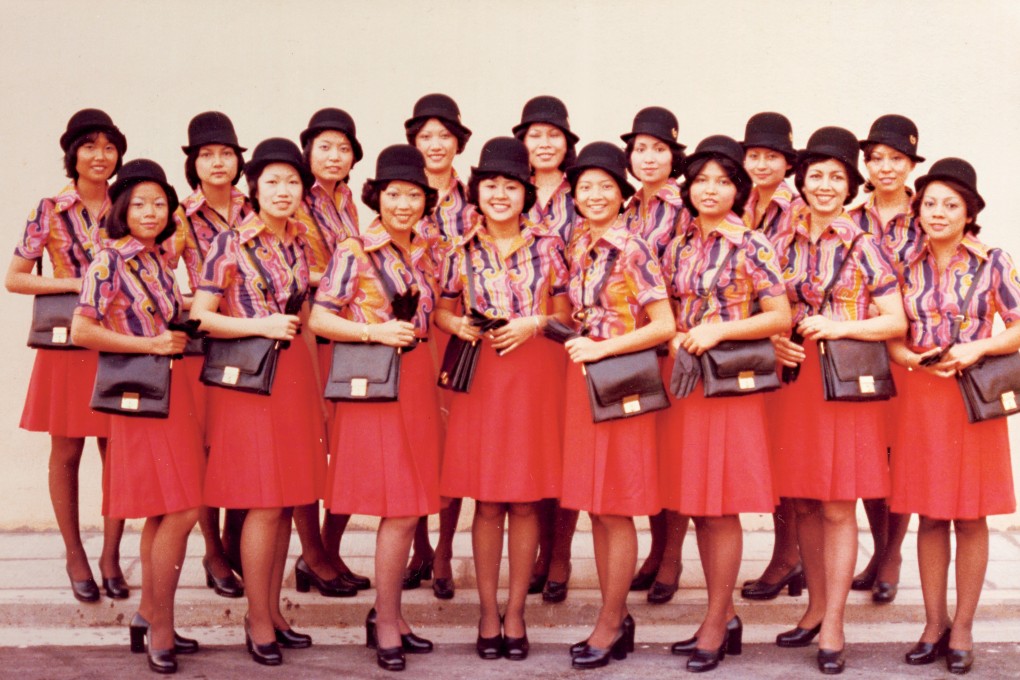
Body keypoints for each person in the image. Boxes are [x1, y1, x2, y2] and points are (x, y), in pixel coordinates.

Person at [769, 127, 907, 675]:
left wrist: (840, 323)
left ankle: (834, 624)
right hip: (797, 381)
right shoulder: (784, 239)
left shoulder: (864, 242)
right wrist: (776, 335)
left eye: (836, 176)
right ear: (801, 181)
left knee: (836, 503)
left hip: (844, 385)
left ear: (851, 183)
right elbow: (771, 305)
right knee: (801, 498)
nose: (824, 184)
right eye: (816, 175)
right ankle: (812, 610)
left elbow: (895, 320)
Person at [190, 138, 325, 667]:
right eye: (273, 181)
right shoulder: (229, 242)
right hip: (248, 381)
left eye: (293, 181)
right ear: (254, 187)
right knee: (264, 501)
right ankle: (256, 618)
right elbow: (200, 315)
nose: (285, 190)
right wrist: (259, 324)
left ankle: (274, 611)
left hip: (290, 375)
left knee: (288, 497)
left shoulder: (297, 241)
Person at [660, 136, 792, 673]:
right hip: (687, 382)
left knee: (722, 504)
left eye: (721, 181)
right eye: (701, 181)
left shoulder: (752, 243)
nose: (709, 190)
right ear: (688, 188)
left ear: (737, 189)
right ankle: (722, 614)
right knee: (697, 503)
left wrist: (718, 331)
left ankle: (717, 621)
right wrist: (676, 337)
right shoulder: (678, 245)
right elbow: (667, 309)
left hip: (730, 385)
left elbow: (778, 315)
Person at [436, 137, 571, 661]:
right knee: (487, 500)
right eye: (490, 184)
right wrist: (457, 325)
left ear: (525, 193)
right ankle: (488, 613)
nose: (499, 194)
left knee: (525, 496)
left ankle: (516, 613)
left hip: (533, 374)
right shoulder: (459, 247)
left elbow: (565, 315)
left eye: (510, 185)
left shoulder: (549, 244)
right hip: (482, 377)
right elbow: (442, 310)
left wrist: (533, 323)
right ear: (476, 192)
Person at [309, 145, 441, 673]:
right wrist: (373, 330)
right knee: (400, 506)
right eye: (393, 194)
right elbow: (320, 318)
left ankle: (393, 615)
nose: (404, 204)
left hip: (417, 384)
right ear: (376, 196)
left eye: (413, 194)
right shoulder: (354, 250)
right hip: (374, 385)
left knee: (410, 505)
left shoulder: (427, 249)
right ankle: (385, 621)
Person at [71, 159, 203, 675]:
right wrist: (149, 344)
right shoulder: (108, 259)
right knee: (183, 509)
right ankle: (160, 628)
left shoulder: (156, 260)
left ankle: (150, 616)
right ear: (122, 208)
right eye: (141, 202)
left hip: (169, 395)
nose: (152, 212)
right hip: (140, 398)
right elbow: (84, 331)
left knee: (162, 510)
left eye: (160, 203)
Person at [887, 158, 1018, 676]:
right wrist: (904, 357)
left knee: (970, 513)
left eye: (951, 204)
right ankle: (933, 622)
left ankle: (963, 625)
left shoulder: (992, 261)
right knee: (929, 512)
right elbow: (892, 331)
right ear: (917, 209)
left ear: (970, 213)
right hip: (920, 396)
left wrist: (977, 348)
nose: (937, 213)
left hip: (970, 397)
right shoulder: (903, 262)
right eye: (930, 203)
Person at [559, 142, 676, 670]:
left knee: (617, 506)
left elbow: (664, 326)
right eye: (586, 187)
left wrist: (601, 346)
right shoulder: (579, 244)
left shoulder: (634, 248)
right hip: (583, 383)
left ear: (622, 192)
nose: (595, 195)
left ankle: (611, 621)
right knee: (597, 506)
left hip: (621, 381)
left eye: (606, 186)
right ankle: (614, 618)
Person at [5, 109, 127, 603]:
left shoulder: (129, 204)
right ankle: (75, 553)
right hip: (66, 344)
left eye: (109, 146)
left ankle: (112, 554)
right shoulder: (49, 209)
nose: (100, 156)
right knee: (67, 450)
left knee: (118, 447)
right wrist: (78, 282)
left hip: (117, 341)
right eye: (89, 146)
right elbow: (14, 277)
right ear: (73, 153)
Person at [848, 114, 926, 605]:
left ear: (912, 163)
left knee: (902, 453)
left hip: (909, 346)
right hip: (861, 344)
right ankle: (879, 549)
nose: (885, 167)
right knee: (870, 453)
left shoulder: (929, 212)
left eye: (896, 159)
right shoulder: (853, 216)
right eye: (876, 158)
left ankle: (892, 554)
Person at [292, 107, 369, 598]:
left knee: (345, 447)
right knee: (308, 446)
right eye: (324, 146)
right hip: (304, 331)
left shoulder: (347, 201)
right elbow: (293, 271)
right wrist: (350, 279)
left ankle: (326, 548)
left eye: (343, 148)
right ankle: (314, 555)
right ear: (308, 152)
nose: (334, 156)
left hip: (341, 332)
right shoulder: (292, 197)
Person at [401, 93, 474, 599]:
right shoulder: (398, 192)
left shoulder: (476, 198)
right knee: (415, 437)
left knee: (453, 441)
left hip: (460, 325)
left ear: (458, 142)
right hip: (413, 330)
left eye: (443, 136)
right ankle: (418, 545)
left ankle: (446, 549)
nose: (434, 145)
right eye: (425, 136)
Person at [176, 111, 251, 599]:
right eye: (207, 155)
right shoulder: (181, 214)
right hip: (203, 342)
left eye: (226, 153)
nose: (218, 162)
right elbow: (162, 273)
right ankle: (213, 551)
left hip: (248, 339)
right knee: (205, 447)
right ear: (194, 164)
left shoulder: (254, 206)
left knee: (240, 444)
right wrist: (191, 299)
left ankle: (235, 539)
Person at [511, 95, 580, 601]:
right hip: (521, 338)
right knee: (532, 443)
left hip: (572, 327)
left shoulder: (587, 191)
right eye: (535, 135)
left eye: (553, 134)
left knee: (567, 442)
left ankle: (559, 554)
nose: (544, 143)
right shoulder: (504, 188)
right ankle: (534, 551)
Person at [620, 106, 689, 605]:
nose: (648, 157)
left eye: (658, 149)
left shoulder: (687, 207)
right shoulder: (624, 208)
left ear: (673, 155)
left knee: (676, 453)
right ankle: (653, 549)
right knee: (649, 451)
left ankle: (670, 556)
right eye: (640, 148)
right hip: (634, 344)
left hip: (676, 341)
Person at [738, 112, 805, 602]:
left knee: (790, 457)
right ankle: (790, 557)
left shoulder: (798, 209)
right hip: (750, 342)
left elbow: (800, 279)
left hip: (787, 342)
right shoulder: (741, 202)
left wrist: (786, 333)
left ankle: (789, 557)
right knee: (772, 455)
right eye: (754, 155)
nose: (761, 164)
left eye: (771, 156)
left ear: (788, 160)